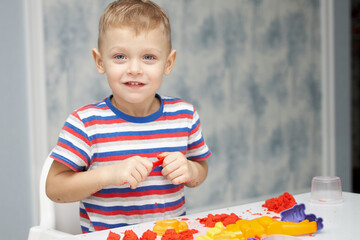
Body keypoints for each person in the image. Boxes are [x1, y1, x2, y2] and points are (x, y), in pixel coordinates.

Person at [45, 0, 211, 233]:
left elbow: (200, 169)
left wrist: (190, 170)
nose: (134, 69)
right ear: (100, 61)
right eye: (120, 56)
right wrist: (109, 174)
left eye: (149, 57)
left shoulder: (185, 116)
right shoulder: (85, 123)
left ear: (169, 62)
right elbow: (54, 189)